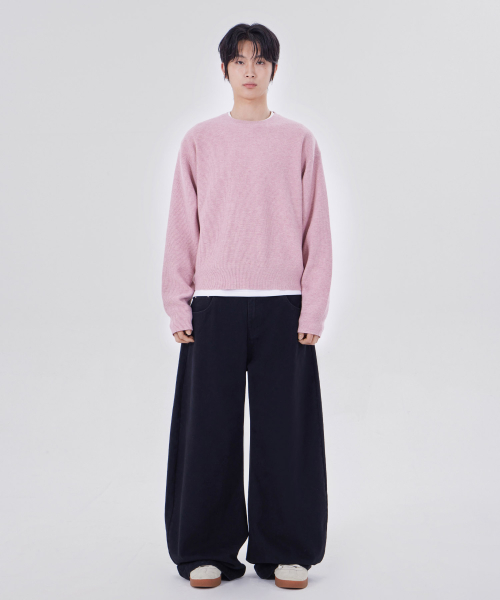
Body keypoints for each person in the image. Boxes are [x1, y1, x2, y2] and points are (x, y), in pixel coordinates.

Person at [161, 22, 332, 589]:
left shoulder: (299, 141)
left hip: (284, 306)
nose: (250, 71)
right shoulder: (200, 141)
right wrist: (178, 304)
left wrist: (313, 308)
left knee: (286, 433)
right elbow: (182, 226)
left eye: (260, 61)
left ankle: (287, 548)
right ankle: (204, 549)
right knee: (207, 432)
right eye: (239, 61)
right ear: (224, 70)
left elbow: (317, 230)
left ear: (274, 69)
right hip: (214, 306)